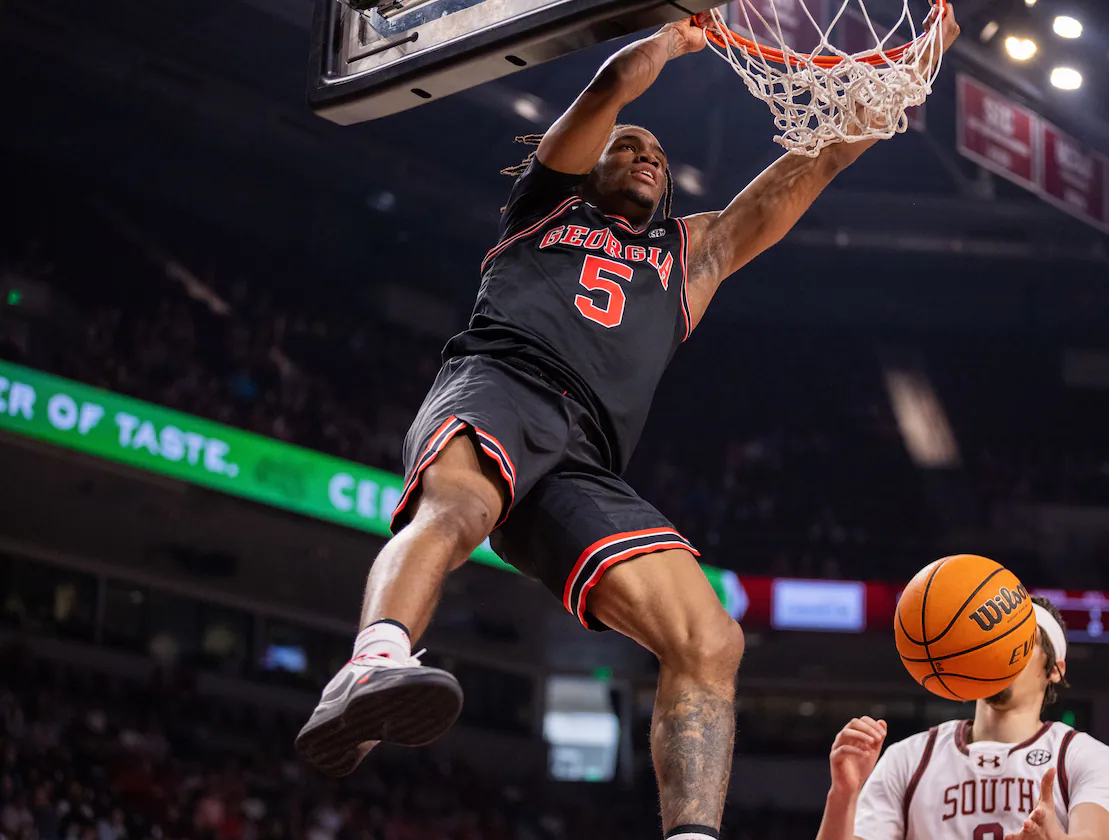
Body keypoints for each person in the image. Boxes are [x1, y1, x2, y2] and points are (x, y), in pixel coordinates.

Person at [295, 8, 961, 840]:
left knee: (710, 639)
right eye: (628, 148)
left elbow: (816, 162)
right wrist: (673, 40)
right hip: (502, 382)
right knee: (460, 510)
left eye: (657, 156)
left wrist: (909, 68)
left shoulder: (693, 253)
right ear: (590, 165)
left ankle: (690, 836)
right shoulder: (545, 205)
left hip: (587, 460)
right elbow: (610, 88)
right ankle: (372, 665)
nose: (645, 157)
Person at [816, 597, 1109, 840]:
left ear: (1055, 670)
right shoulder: (907, 759)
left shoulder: (1082, 755)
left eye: (1021, 641)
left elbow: (1095, 834)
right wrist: (843, 794)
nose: (1004, 652)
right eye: (995, 639)